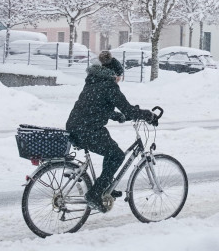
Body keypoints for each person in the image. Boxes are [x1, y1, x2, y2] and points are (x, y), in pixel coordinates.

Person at [66, 50, 156, 212]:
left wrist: (117, 116)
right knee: (117, 155)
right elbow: (129, 110)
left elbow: (95, 106)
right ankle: (95, 193)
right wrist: (147, 115)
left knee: (111, 150)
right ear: (115, 74)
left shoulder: (93, 81)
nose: (120, 80)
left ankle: (104, 185)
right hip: (88, 130)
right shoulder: (109, 85)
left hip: (77, 126)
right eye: (120, 76)